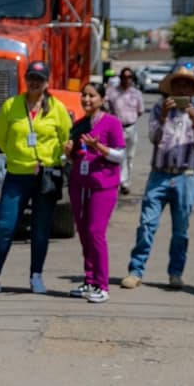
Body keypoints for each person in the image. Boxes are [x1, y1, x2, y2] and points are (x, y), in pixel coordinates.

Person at [0, 61, 73, 294]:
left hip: (46, 175)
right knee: (4, 225)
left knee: (40, 228)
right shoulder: (11, 105)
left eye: (39, 78)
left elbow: (66, 138)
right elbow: (1, 138)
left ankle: (36, 275)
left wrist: (53, 158)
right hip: (17, 174)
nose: (34, 82)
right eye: (31, 77)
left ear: (47, 82)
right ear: (25, 79)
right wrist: (20, 156)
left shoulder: (57, 108)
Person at [121, 65, 194, 291]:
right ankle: (136, 270)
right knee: (147, 224)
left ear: (193, 90)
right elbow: (153, 138)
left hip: (186, 177)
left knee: (181, 229)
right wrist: (163, 116)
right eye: (178, 84)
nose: (182, 89)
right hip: (159, 175)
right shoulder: (158, 110)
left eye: (187, 85)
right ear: (171, 88)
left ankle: (175, 273)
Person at [66, 82, 125, 303]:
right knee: (83, 232)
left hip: (103, 186)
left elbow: (119, 155)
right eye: (84, 95)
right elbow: (75, 157)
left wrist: (99, 147)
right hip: (79, 184)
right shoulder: (79, 125)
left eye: (92, 96)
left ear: (102, 99)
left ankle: (102, 285)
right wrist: (68, 153)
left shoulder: (112, 123)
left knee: (95, 232)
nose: (87, 100)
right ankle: (89, 280)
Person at [109, 67, 144, 196]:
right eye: (124, 77)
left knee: (130, 156)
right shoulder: (113, 93)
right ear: (120, 78)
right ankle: (119, 181)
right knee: (118, 156)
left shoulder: (136, 93)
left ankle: (126, 183)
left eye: (129, 77)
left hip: (131, 127)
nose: (126, 79)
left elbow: (140, 111)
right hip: (117, 128)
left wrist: (130, 119)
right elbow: (107, 106)